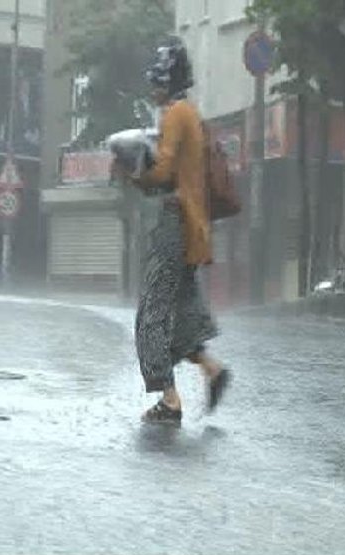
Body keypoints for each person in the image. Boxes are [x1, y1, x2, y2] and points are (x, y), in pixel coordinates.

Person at [113, 37, 231, 424]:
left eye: (157, 79)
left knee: (151, 313)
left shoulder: (176, 114)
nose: (153, 87)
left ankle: (169, 399)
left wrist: (134, 168)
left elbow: (162, 171)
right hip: (191, 224)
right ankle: (212, 371)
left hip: (175, 223)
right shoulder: (190, 114)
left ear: (168, 79)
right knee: (181, 311)